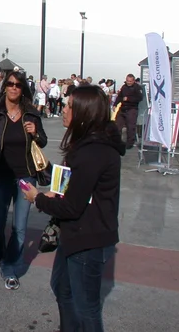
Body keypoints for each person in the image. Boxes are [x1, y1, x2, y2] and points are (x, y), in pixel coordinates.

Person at [23, 85, 124, 332]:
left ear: (83, 113)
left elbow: (71, 206)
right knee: (62, 289)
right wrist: (52, 188)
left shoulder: (94, 151)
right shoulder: (85, 145)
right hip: (75, 235)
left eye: (69, 106)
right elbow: (72, 187)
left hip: (88, 239)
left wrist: (37, 198)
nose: (64, 110)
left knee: (86, 307)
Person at [0, 70, 48, 291]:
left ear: (23, 88)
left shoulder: (31, 114)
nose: (13, 87)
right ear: (4, 86)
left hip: (25, 178)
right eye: (10, 83)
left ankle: (10, 268)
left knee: (19, 227)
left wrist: (36, 133)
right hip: (0, 177)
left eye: (18, 85)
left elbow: (43, 141)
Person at [113, 73, 143, 149]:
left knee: (130, 127)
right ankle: (117, 142)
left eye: (130, 81)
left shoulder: (137, 88)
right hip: (123, 108)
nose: (128, 82)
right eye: (127, 81)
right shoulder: (124, 87)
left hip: (132, 109)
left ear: (133, 81)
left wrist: (129, 99)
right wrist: (115, 104)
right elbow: (119, 97)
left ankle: (129, 144)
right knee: (117, 125)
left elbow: (139, 98)